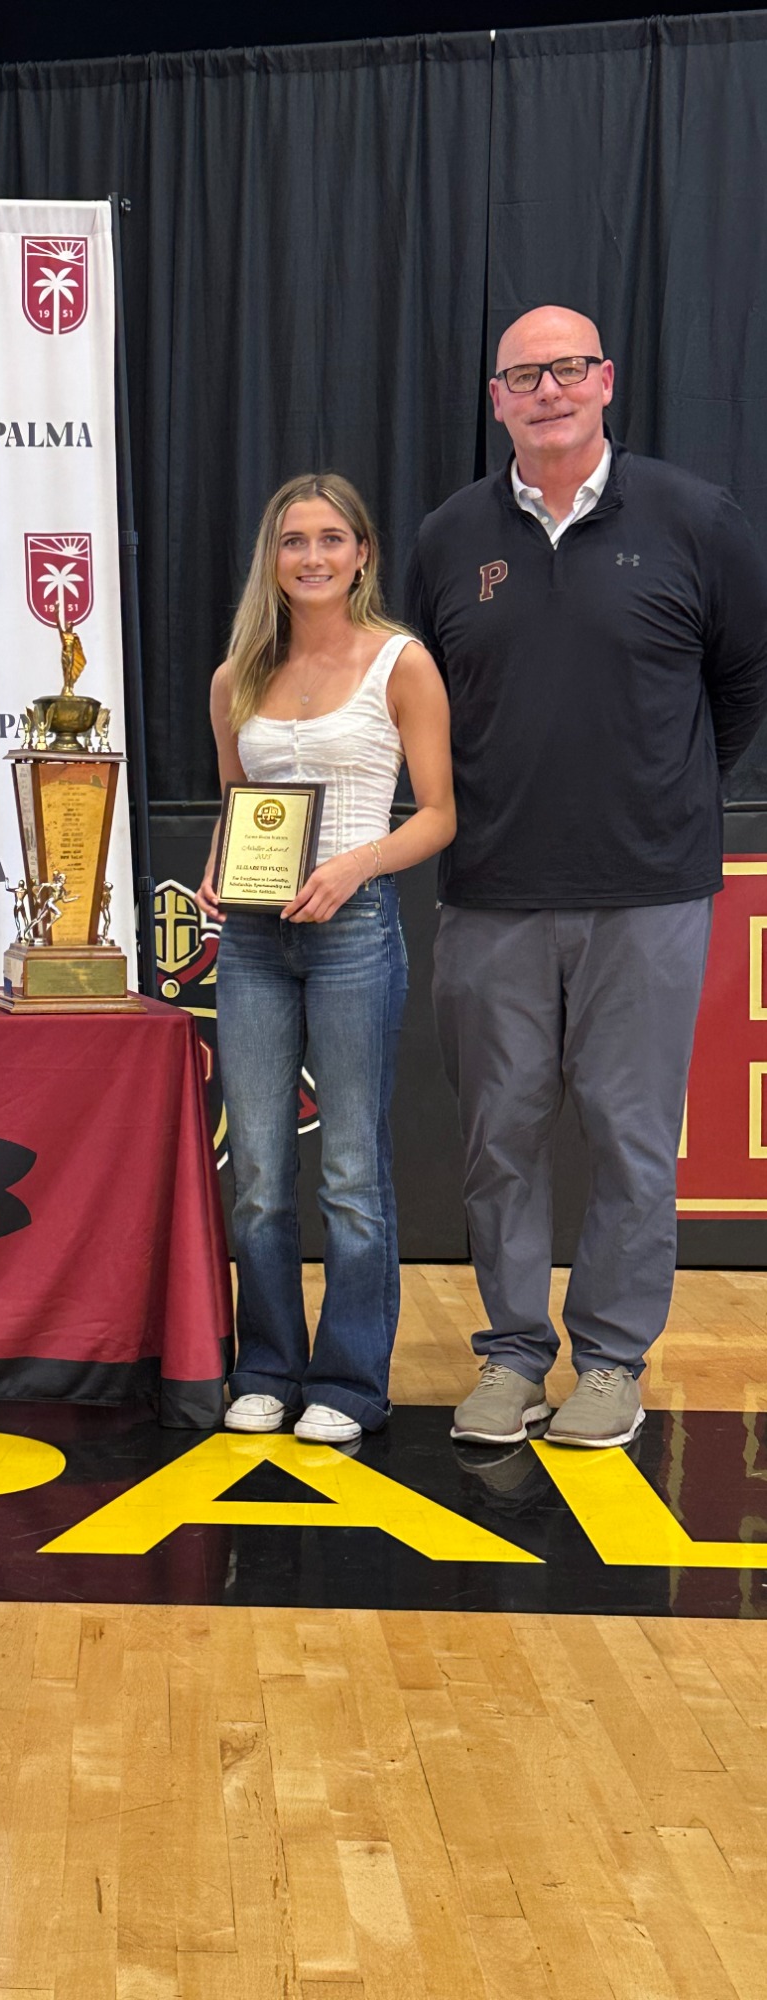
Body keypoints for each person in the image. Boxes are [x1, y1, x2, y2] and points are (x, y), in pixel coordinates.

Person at [408, 305, 767, 1450]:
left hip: (646, 891)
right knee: (499, 1139)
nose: (548, 390)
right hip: (489, 889)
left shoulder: (694, 518)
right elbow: (420, 705)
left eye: (568, 369)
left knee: (629, 1136)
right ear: (497, 399)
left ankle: (612, 1360)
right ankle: (513, 1355)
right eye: (525, 376)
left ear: (606, 379)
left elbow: (741, 685)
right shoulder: (449, 537)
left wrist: (658, 795)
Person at [200, 474, 455, 1445]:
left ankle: (349, 1380)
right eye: (293, 540)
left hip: (354, 932)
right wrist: (219, 868)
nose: (312, 556)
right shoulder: (237, 676)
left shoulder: (402, 662)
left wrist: (354, 866)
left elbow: (438, 814)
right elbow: (236, 805)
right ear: (272, 558)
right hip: (254, 940)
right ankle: (267, 1366)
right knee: (259, 1171)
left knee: (349, 1168)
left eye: (331, 539)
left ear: (363, 554)